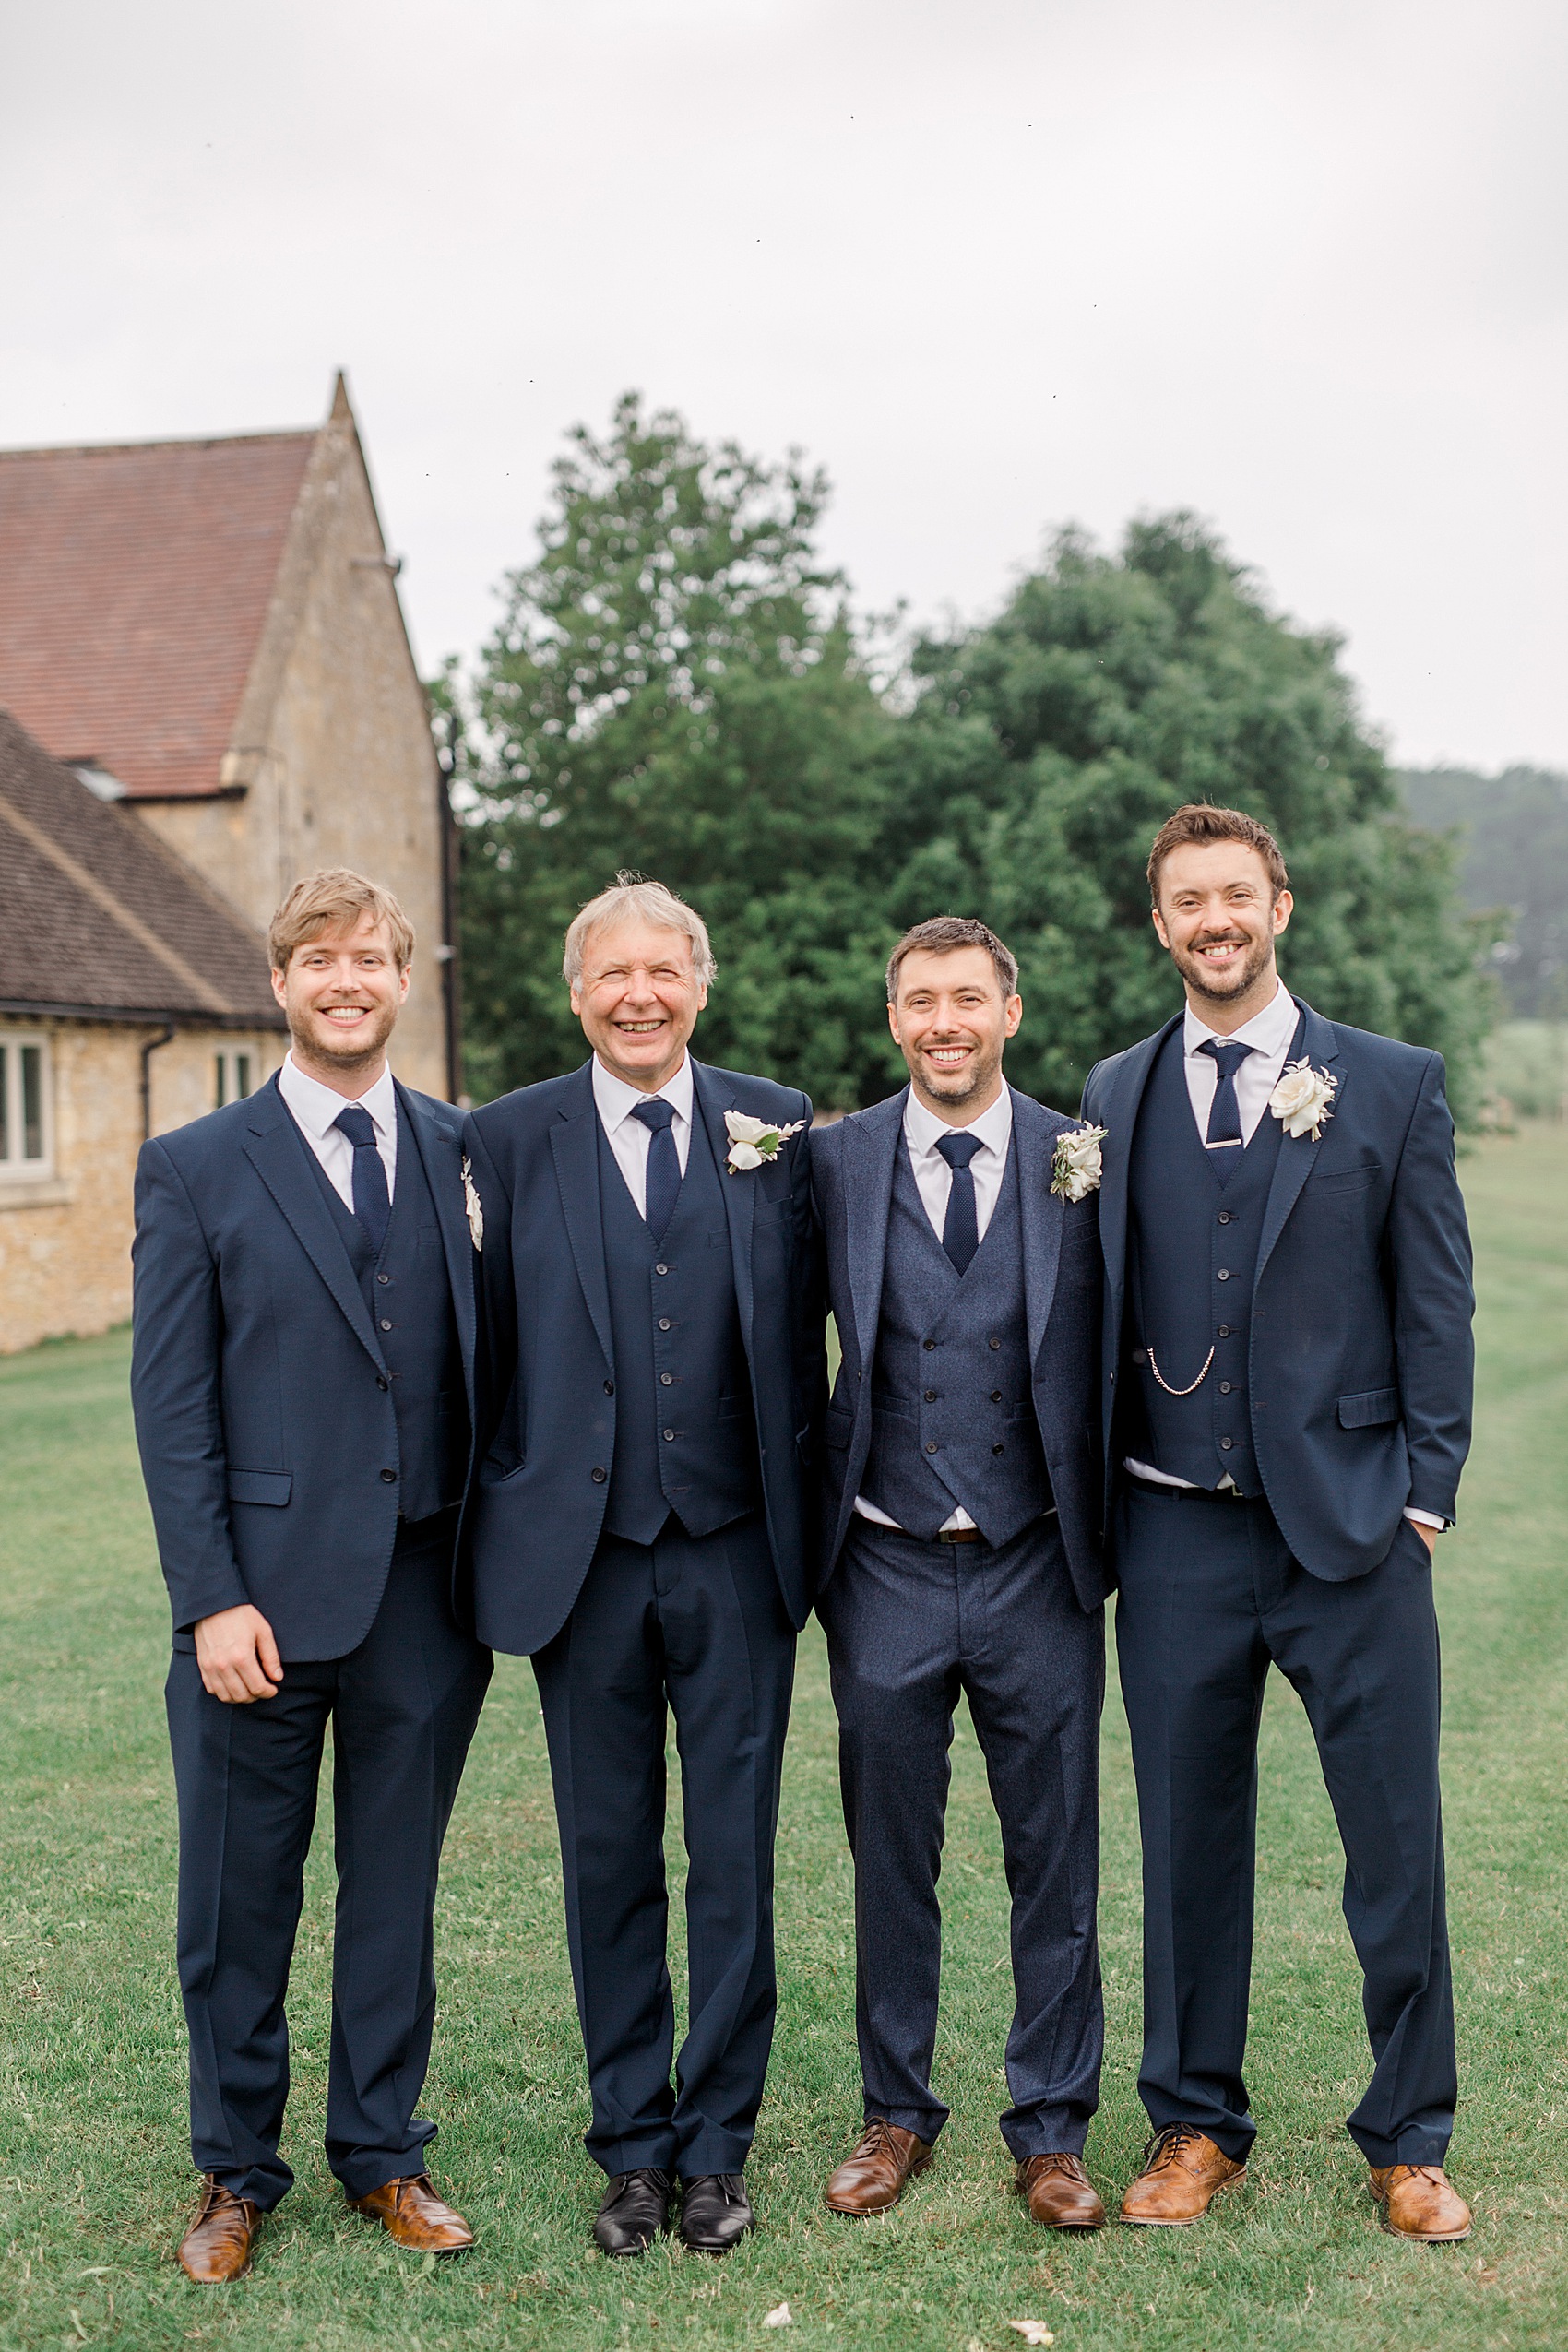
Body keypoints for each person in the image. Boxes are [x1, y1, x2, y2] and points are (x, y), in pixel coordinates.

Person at [1083, 803, 1475, 2241]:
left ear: (1280, 908)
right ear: (1162, 924)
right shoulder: (1112, 1091)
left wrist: (1422, 1498)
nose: (1214, 920)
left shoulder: (1388, 1081)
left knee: (1395, 1841)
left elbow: (1436, 1301)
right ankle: (1193, 2125)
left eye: (1235, 896)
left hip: (1355, 1532)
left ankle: (1411, 2132)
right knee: (1187, 1842)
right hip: (1174, 1535)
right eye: (1188, 901)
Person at [131, 870, 492, 2284]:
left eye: (372, 959)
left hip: (426, 1599)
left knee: (393, 1888)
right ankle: (235, 2167)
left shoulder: (467, 1149)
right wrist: (210, 1594)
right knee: (237, 1898)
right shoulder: (198, 1164)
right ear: (279, 983)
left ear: (405, 981)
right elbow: (173, 1408)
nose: (348, 980)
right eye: (319, 960)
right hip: (257, 1607)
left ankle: (383, 2151)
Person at [462, 876, 826, 2258]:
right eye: (613, 974)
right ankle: (630, 2144)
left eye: (663, 972)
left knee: (733, 1858)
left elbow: (824, 1324)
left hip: (739, 1553)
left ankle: (718, 2146)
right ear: (576, 992)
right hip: (584, 1563)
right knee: (606, 1858)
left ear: (700, 984)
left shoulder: (777, 1125)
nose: (638, 996)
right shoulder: (502, 1139)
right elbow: (478, 1349)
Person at [809, 918, 1111, 2230]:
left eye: (968, 998)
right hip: (878, 1558)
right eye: (921, 1000)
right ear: (894, 1020)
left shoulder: (1080, 1156)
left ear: (1011, 1010)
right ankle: (895, 2113)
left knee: (1056, 1851)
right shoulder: (829, 1161)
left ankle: (1050, 2127)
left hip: (1038, 1559)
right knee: (892, 1851)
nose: (945, 1021)